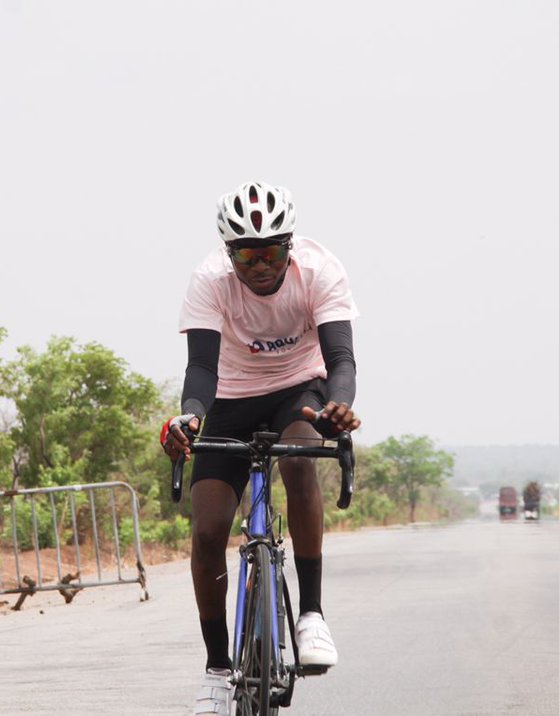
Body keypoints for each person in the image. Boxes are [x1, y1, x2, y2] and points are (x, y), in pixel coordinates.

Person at [160, 181, 362, 716]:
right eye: (247, 255)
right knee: (206, 532)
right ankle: (217, 669)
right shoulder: (209, 281)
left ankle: (312, 617)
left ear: (288, 248)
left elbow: (341, 359)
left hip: (300, 391)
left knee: (298, 463)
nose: (260, 265)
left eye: (271, 252)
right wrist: (191, 417)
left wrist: (338, 405)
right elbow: (201, 368)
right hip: (229, 397)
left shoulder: (319, 271)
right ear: (230, 255)